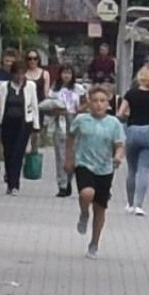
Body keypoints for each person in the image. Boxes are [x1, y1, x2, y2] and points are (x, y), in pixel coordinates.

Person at [64, 85, 126, 260]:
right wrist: (69, 159)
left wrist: (118, 157)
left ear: (108, 104)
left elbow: (120, 145)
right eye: (95, 101)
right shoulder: (82, 120)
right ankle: (84, 213)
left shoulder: (113, 123)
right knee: (86, 192)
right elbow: (70, 137)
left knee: (100, 208)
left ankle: (94, 243)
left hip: (105, 168)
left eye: (102, 101)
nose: (99, 105)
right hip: (84, 164)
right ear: (89, 103)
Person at [117, 65, 149, 216]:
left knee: (132, 170)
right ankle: (139, 205)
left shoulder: (130, 94)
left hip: (132, 131)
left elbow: (120, 113)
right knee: (143, 170)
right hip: (148, 132)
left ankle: (129, 204)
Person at [0, 60, 41, 196]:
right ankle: (9, 180)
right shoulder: (4, 87)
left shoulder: (30, 86)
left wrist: (36, 125)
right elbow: (0, 108)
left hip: (24, 124)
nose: (20, 77)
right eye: (17, 74)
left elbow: (34, 106)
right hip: (7, 123)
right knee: (8, 153)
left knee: (18, 153)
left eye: (22, 74)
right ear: (12, 74)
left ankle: (14, 184)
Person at [47, 64, 85, 197]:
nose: (66, 76)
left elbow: (86, 103)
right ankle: (62, 184)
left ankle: (69, 180)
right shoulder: (55, 89)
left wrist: (80, 108)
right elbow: (49, 106)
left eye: (69, 73)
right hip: (60, 124)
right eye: (64, 73)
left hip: (74, 123)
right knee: (61, 156)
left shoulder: (78, 89)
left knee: (73, 155)